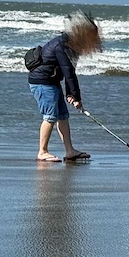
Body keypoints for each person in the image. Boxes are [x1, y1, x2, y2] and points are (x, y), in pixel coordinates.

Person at [27, 10, 102, 162]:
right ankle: (42, 151)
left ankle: (70, 151)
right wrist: (77, 97)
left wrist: (70, 94)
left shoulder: (71, 45)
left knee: (63, 116)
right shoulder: (61, 45)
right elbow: (68, 73)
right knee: (50, 117)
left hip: (52, 82)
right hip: (42, 83)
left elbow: (69, 71)